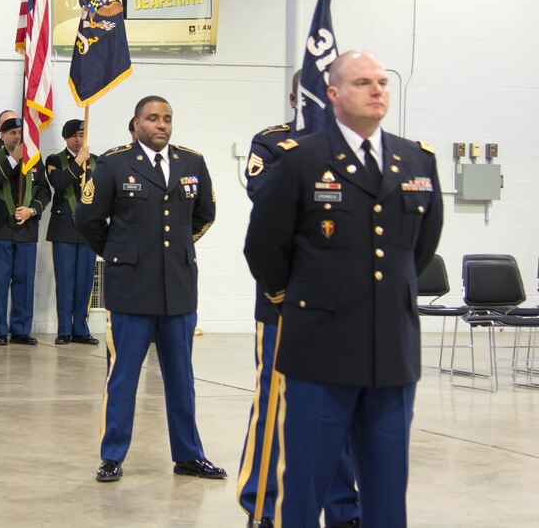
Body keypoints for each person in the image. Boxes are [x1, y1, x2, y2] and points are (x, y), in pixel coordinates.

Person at [244, 49, 443, 526]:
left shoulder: (416, 159)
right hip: (320, 348)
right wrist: (296, 301)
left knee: (387, 491)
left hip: (391, 353)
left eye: (382, 82)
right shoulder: (301, 161)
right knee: (305, 487)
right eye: (362, 83)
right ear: (332, 94)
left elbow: (419, 249)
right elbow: (265, 247)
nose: (377, 90)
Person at [76, 95, 226, 483]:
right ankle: (112, 456)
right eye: (153, 118)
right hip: (130, 290)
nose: (161, 125)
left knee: (181, 378)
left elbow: (205, 215)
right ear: (137, 122)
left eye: (167, 119)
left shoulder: (191, 162)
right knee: (123, 377)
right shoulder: (113, 163)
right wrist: (119, 252)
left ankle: (189, 455)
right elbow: (88, 219)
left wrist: (176, 250)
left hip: (178, 288)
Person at [236, 71, 360, 528]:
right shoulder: (272, 143)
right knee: (273, 400)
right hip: (283, 295)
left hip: (342, 301)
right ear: (295, 96)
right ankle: (262, 506)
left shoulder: (357, 149)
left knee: (339, 403)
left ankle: (344, 509)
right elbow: (263, 198)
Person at [0, 117, 50, 345]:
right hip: (0, 229)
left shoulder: (35, 158)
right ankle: (0, 330)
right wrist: (13, 159)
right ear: (3, 135)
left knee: (24, 280)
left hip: (26, 228)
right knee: (0, 281)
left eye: (20, 133)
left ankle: (21, 330)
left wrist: (32, 210)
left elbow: (44, 191)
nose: (18, 137)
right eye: (13, 133)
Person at [45, 119, 99, 345]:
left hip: (87, 230)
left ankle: (81, 328)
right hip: (64, 228)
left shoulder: (96, 161)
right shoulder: (55, 160)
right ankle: (65, 329)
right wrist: (78, 161)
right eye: (74, 136)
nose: (78, 140)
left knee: (85, 282)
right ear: (66, 137)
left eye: (81, 135)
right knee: (65, 282)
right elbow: (60, 183)